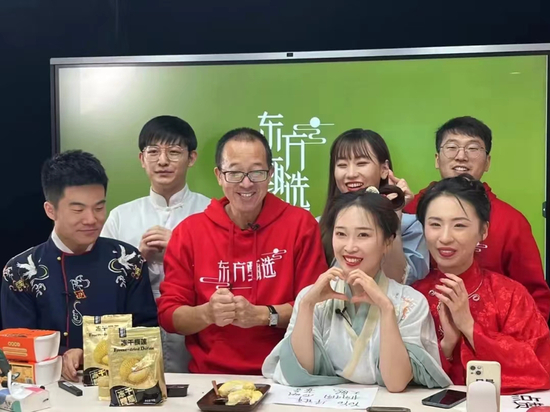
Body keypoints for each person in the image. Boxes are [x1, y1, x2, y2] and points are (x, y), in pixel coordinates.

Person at [157, 127, 328, 374]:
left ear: (271, 173)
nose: (246, 183)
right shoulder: (189, 233)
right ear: (219, 175)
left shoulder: (300, 225)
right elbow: (169, 315)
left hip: (286, 373)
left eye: (257, 172)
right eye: (234, 173)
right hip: (210, 377)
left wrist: (263, 315)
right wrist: (207, 313)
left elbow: (318, 307)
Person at [263, 187, 451, 391]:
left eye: (363, 235)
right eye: (341, 234)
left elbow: (396, 383)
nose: (350, 247)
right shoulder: (312, 297)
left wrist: (386, 308)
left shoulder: (410, 302)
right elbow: (299, 373)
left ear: (387, 242)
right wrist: (307, 305)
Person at [1, 150, 158, 382]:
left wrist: (89, 355)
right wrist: (62, 355)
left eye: (99, 207)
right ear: (50, 210)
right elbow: (17, 348)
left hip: (120, 386)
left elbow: (146, 333)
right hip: (46, 390)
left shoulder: (127, 260)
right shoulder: (21, 270)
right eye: (78, 209)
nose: (91, 219)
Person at [413, 175, 550, 394]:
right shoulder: (413, 298)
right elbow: (399, 379)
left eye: (459, 225)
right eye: (435, 224)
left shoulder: (511, 296)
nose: (445, 237)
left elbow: (539, 369)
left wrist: (469, 327)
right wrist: (446, 347)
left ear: (483, 231)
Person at [404, 116, 550, 319]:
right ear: (437, 159)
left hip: (491, 329)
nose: (461, 156)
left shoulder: (511, 221)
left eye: (473, 148)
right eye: (451, 147)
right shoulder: (410, 211)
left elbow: (535, 299)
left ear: (487, 162)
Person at [101, 115, 209, 372]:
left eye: (174, 152)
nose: (162, 161)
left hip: (197, 328)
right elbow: (103, 283)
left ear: (191, 158)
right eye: (153, 152)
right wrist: (137, 259)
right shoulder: (120, 216)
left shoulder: (210, 212)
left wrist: (180, 251)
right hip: (135, 329)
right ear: (142, 159)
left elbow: (225, 274)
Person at [319, 128, 429, 284]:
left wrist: (392, 218)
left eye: (361, 163)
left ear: (384, 169)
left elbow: (399, 282)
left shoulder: (410, 226)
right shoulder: (318, 225)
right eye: (342, 165)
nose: (351, 174)